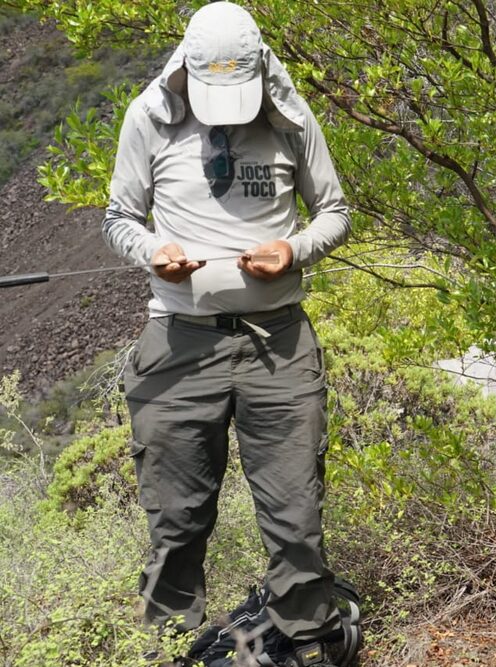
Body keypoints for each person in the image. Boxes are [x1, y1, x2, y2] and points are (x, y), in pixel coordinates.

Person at [103, 2, 359, 663]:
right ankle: (168, 650)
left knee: (295, 515)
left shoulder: (291, 118)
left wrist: (292, 251)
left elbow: (334, 211)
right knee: (176, 521)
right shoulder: (149, 118)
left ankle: (308, 646)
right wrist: (154, 252)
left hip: (278, 343)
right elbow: (119, 217)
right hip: (178, 345)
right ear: (185, 68)